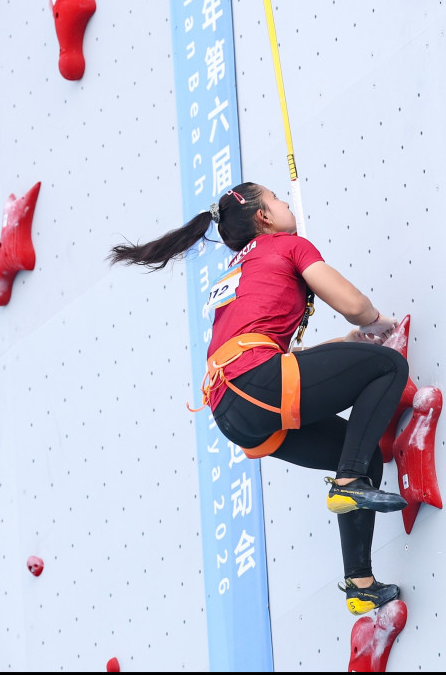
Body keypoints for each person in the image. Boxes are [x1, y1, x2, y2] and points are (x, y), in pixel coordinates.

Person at [108, 182, 410, 615]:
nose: (286, 203)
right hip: (255, 381)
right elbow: (353, 305)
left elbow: (260, 354)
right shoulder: (287, 246)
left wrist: (344, 346)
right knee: (388, 368)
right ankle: (348, 484)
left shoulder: (236, 271)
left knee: (362, 458)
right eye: (277, 199)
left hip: (230, 410)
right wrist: (375, 322)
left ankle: (360, 585)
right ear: (264, 217)